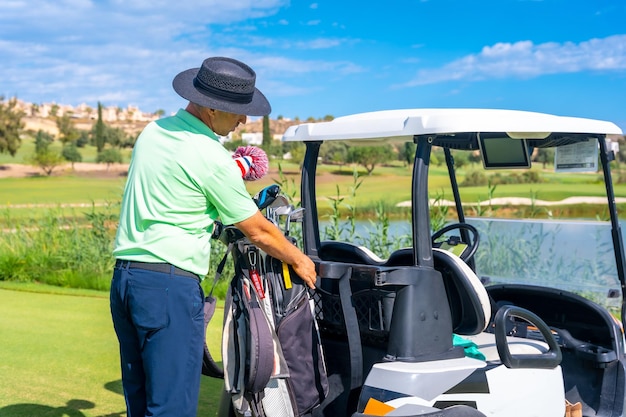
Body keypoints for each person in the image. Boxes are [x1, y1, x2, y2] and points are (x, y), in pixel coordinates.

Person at [109, 56, 317, 417]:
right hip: (168, 289)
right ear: (209, 107)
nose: (242, 120)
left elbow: (179, 193)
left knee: (140, 401)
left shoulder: (153, 131)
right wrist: (300, 260)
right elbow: (259, 231)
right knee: (171, 407)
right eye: (237, 111)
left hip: (126, 281)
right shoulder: (210, 156)